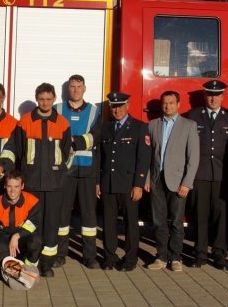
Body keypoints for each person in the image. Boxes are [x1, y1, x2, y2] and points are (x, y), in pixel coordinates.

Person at [17, 83, 71, 277]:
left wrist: (58, 173)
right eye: (41, 99)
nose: (45, 103)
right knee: (32, 223)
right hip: (32, 183)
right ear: (37, 98)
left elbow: (66, 152)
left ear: (54, 99)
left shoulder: (63, 123)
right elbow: (19, 152)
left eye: (48, 99)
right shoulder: (25, 122)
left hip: (55, 184)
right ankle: (32, 260)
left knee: (51, 224)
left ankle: (47, 263)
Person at [185, 80, 228, 269]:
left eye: (217, 95)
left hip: (221, 175)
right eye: (209, 94)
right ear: (205, 96)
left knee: (220, 216)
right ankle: (199, 254)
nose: (213, 98)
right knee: (199, 215)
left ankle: (219, 253)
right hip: (199, 174)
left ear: (223, 97)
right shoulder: (193, 116)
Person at [96, 91, 151, 272]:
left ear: (127, 106)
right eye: (113, 106)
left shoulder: (139, 127)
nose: (117, 109)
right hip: (108, 183)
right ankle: (109, 257)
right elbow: (99, 157)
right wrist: (98, 182)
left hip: (129, 185)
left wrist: (138, 184)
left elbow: (143, 158)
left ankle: (130, 259)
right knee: (108, 223)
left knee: (130, 223)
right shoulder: (105, 127)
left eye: (120, 106)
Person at [146, 90, 200, 272]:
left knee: (177, 221)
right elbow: (147, 156)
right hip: (156, 180)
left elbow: (194, 157)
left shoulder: (189, 126)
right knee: (158, 221)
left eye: (171, 103)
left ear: (178, 104)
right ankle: (161, 256)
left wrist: (187, 183)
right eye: (164, 103)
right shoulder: (152, 125)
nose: (167, 106)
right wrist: (146, 179)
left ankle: (176, 258)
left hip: (177, 182)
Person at [56, 74, 101, 269]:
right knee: (62, 214)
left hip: (87, 169)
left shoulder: (94, 111)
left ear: (84, 89)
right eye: (72, 87)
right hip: (64, 169)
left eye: (78, 86)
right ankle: (60, 254)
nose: (75, 90)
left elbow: (97, 135)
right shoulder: (57, 109)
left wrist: (73, 141)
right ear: (68, 89)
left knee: (89, 215)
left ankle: (89, 256)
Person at [0, 170, 43, 282]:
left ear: (22, 186)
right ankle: (12, 270)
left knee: (36, 242)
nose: (13, 191)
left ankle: (29, 267)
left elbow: (34, 223)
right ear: (4, 186)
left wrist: (17, 235)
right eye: (9, 186)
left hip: (23, 236)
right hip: (3, 237)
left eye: (16, 186)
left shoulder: (32, 201)